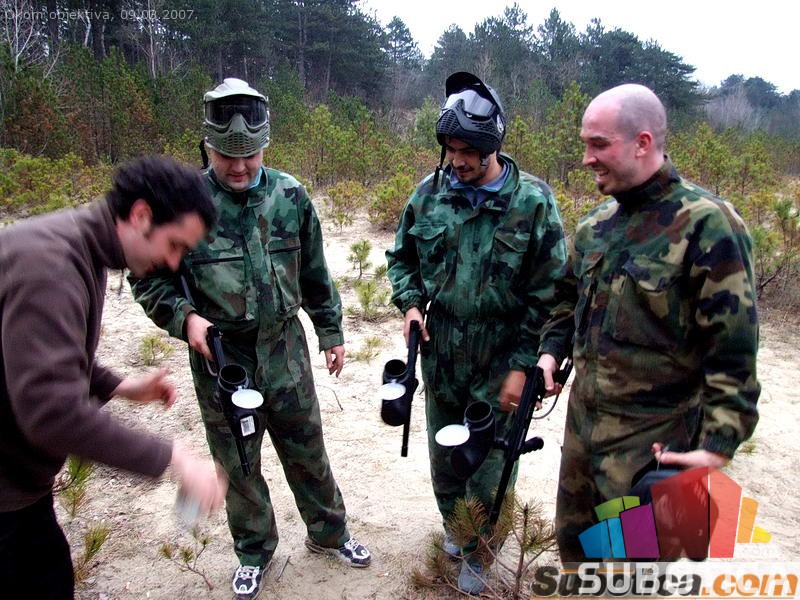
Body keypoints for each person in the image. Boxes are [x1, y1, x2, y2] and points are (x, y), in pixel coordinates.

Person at [129, 77, 370, 600]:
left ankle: (330, 533)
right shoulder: (182, 206)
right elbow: (147, 279)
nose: (239, 167)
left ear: (265, 146)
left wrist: (330, 330)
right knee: (238, 461)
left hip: (285, 348)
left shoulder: (291, 196)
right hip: (222, 356)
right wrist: (186, 319)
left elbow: (315, 272)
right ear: (207, 147)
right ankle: (254, 551)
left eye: (250, 156)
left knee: (307, 448)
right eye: (226, 157)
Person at [536, 83, 760, 563]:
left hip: (652, 445)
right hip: (582, 438)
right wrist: (551, 352)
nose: (587, 159)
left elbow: (733, 347)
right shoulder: (596, 224)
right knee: (577, 562)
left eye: (599, 145)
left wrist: (718, 444)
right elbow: (566, 300)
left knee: (632, 575)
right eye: (585, 144)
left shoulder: (707, 224)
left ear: (642, 142)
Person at [0, 155, 227, 600]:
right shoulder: (51, 265)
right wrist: (173, 458)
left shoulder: (78, 248)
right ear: (141, 215)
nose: (174, 262)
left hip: (20, 492)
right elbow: (50, 413)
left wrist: (118, 386)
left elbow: (30, 356)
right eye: (174, 244)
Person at [386, 71, 568, 594]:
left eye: (468, 151)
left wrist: (525, 364)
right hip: (440, 349)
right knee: (445, 453)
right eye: (450, 149)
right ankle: (456, 526)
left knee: (488, 463)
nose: (457, 160)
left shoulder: (532, 202)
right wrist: (411, 305)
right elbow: (402, 258)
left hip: (503, 353)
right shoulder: (429, 194)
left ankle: (481, 549)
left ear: (493, 147)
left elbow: (552, 292)